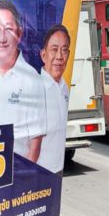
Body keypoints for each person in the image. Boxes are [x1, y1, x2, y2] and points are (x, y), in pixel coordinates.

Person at [0, 0, 47, 162]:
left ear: (19, 34)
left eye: (9, 30)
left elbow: (35, 142)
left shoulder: (32, 80)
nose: (2, 38)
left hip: (19, 175)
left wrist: (23, 177)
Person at [37, 24, 71, 173]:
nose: (59, 56)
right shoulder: (34, 89)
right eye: (54, 49)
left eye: (64, 50)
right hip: (38, 172)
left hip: (58, 170)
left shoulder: (64, 88)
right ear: (43, 55)